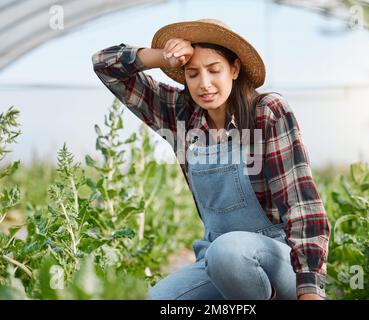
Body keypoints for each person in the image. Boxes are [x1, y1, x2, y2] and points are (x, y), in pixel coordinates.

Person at [92, 18, 330, 300]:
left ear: (234, 68)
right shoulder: (181, 116)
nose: (204, 84)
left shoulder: (266, 112)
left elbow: (301, 205)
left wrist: (310, 291)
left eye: (213, 70)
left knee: (228, 251)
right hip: (216, 261)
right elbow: (104, 65)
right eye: (192, 74)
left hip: (281, 260)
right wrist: (161, 57)